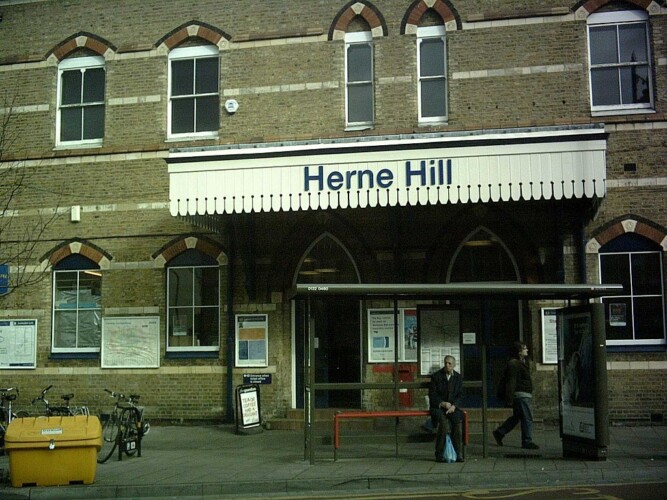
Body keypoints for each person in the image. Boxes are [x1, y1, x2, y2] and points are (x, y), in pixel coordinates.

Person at [493, 342, 539, 450]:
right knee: (527, 417)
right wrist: (509, 399)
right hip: (521, 395)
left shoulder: (521, 362)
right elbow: (511, 381)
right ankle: (527, 441)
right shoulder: (514, 363)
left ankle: (500, 432)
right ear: (519, 352)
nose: (527, 350)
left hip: (523, 394)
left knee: (517, 417)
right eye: (524, 348)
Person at [429, 355, 464, 462]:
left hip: (452, 408)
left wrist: (454, 406)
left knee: (456, 424)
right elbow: (432, 395)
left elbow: (460, 395)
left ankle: (458, 453)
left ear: (454, 365)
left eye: (449, 363)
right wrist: (443, 403)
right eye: (445, 363)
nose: (447, 365)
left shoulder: (458, 377)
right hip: (439, 407)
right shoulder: (436, 376)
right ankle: (439, 454)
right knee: (443, 425)